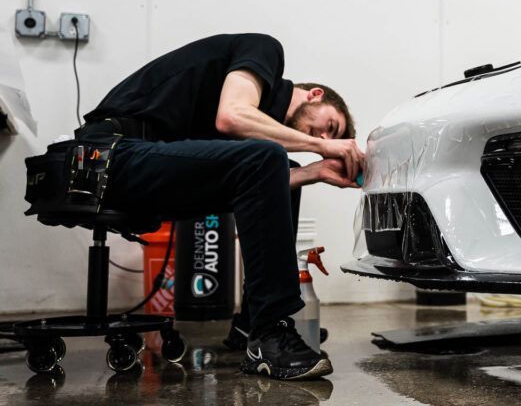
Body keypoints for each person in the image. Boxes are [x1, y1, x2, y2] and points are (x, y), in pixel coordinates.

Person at [77, 33, 363, 380]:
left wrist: (315, 171)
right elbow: (231, 116)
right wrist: (319, 148)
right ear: (315, 96)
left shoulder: (253, 132)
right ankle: (270, 333)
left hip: (148, 164)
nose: (323, 140)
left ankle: (252, 325)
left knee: (282, 170)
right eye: (329, 127)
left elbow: (251, 170)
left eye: (330, 139)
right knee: (270, 160)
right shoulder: (265, 50)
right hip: (109, 154)